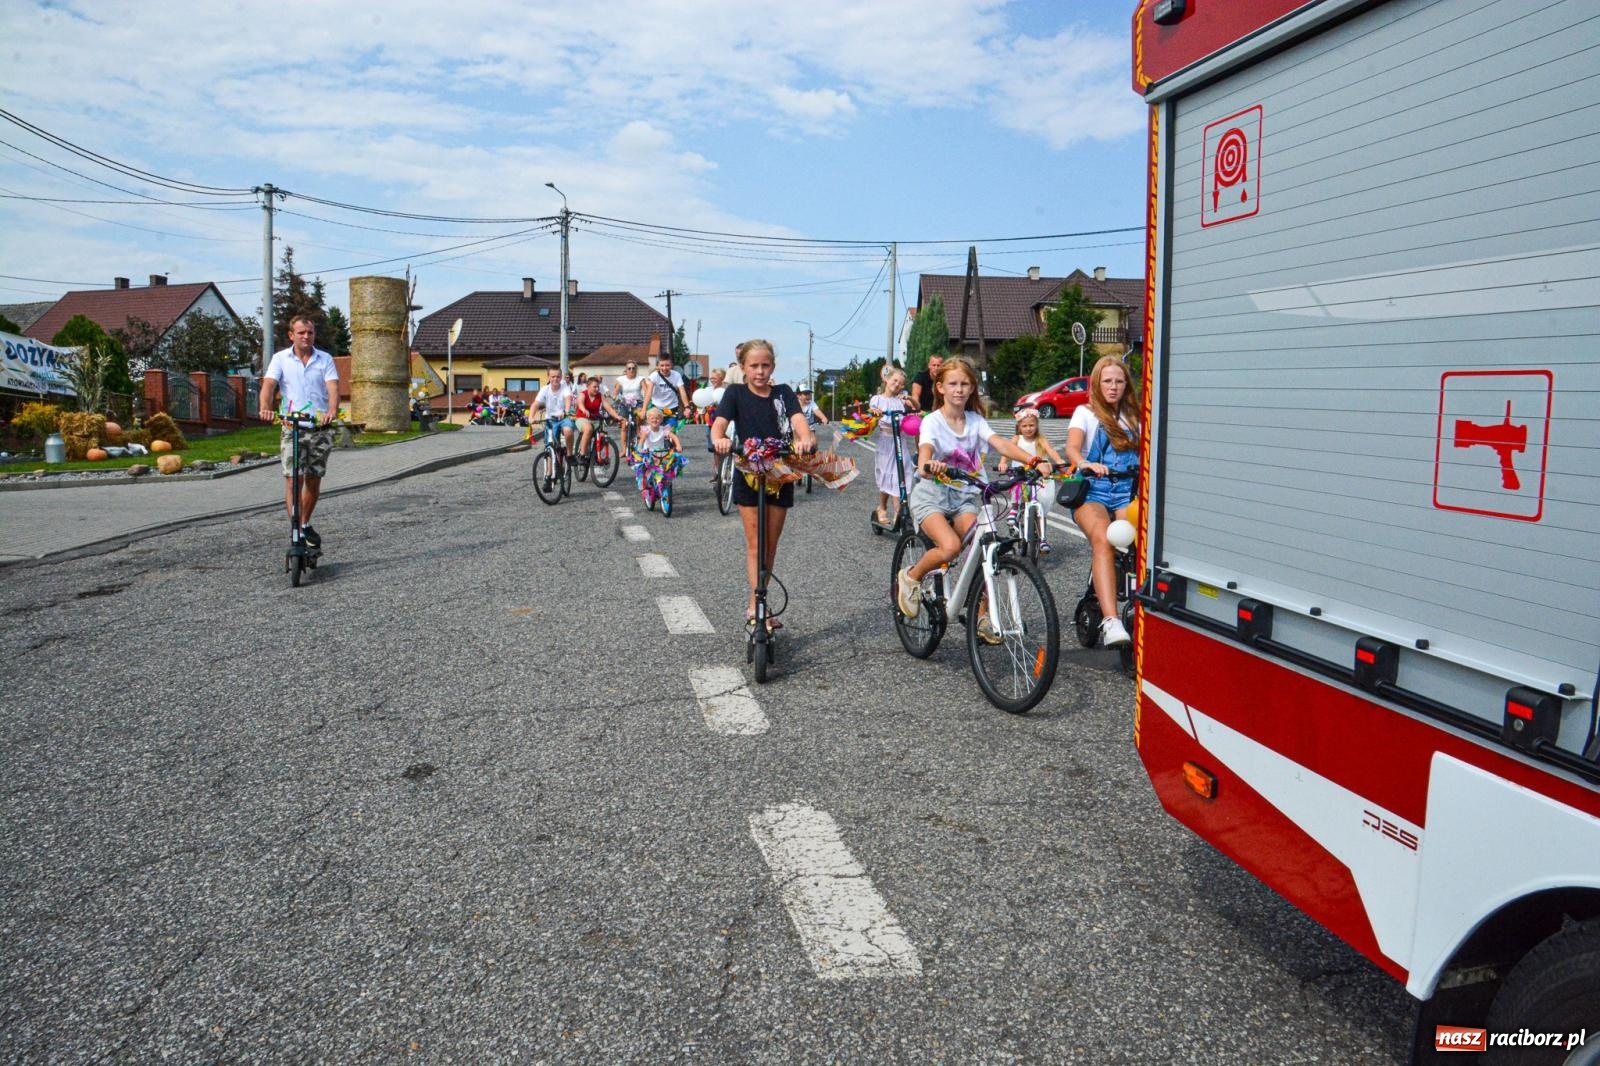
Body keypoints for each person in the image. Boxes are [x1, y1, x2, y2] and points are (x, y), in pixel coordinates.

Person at [896, 357, 1052, 642]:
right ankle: (911, 576)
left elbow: (1001, 444)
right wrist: (929, 464)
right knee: (950, 547)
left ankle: (981, 616)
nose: (959, 389)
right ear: (940, 387)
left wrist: (1033, 459)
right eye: (953, 384)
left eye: (965, 384)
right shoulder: (932, 422)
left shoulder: (976, 421)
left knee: (984, 547)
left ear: (971, 389)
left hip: (965, 497)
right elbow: (925, 452)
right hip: (931, 495)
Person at [711, 339, 817, 631]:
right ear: (743, 367)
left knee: (770, 546)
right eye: (753, 365)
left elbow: (798, 420)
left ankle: (760, 600)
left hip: (780, 472)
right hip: (749, 472)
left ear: (773, 366)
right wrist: (719, 439)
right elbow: (719, 424)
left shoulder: (783, 393)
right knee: (755, 544)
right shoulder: (735, 393)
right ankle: (755, 606)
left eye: (765, 365)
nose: (760, 371)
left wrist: (805, 437)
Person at [1065, 355, 1141, 647]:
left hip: (1126, 491)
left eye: (1119, 381)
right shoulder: (1085, 413)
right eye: (1107, 381)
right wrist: (1084, 462)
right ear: (1097, 383)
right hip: (1093, 490)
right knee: (1103, 539)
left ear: (1126, 385)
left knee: (1139, 543)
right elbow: (1072, 447)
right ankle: (1111, 622)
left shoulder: (1135, 416)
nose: (1113, 387)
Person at [257, 315, 340, 549]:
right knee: (294, 478)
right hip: (292, 427)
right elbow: (269, 385)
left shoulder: (325, 359)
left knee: (313, 479)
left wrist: (331, 411)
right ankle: (295, 527)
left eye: (310, 332)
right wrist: (265, 407)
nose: (306, 336)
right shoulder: (280, 359)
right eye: (301, 332)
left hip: (319, 428)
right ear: (291, 335)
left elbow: (333, 388)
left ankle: (304, 524)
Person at [998, 406, 1067, 555]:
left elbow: (1051, 451)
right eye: (1024, 426)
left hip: (1039, 475)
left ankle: (1042, 538)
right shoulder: (1017, 438)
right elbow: (1007, 450)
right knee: (1017, 485)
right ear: (1019, 427)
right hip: (1021, 474)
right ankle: (1015, 507)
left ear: (1037, 425)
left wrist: (1059, 460)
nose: (1028, 429)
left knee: (1041, 508)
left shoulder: (1040, 439)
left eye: (1031, 425)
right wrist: (1003, 462)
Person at [868, 368, 913, 527]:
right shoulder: (877, 399)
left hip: (901, 441)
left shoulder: (901, 400)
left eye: (901, 383)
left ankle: (898, 513)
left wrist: (910, 401)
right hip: (886, 441)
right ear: (887, 380)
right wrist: (875, 412)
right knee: (888, 476)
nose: (897, 384)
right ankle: (882, 508)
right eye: (894, 381)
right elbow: (871, 411)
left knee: (901, 475)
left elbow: (915, 408)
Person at [574, 377, 622, 459]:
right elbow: (580, 403)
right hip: (582, 418)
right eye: (594, 387)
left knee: (603, 436)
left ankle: (595, 454)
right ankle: (581, 454)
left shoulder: (600, 396)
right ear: (588, 386)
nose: (597, 389)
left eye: (598, 387)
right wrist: (584, 409)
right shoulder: (583, 394)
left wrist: (617, 416)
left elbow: (608, 407)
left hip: (595, 420)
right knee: (588, 429)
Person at [533, 371, 576, 452]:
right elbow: (536, 403)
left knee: (568, 430)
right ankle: (550, 463)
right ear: (548, 377)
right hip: (550, 420)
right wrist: (531, 417)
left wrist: (566, 411)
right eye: (553, 377)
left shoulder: (565, 387)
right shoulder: (544, 389)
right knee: (550, 447)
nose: (555, 379)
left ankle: (570, 455)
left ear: (561, 377)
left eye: (558, 376)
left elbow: (568, 398)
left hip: (564, 418)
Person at [645, 354, 690, 424]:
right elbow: (648, 393)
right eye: (662, 365)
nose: (664, 368)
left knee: (670, 432)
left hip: (672, 408)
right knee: (657, 430)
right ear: (658, 366)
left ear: (671, 365)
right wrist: (644, 409)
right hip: (657, 408)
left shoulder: (677, 375)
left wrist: (687, 407)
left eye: (667, 365)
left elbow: (682, 391)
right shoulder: (654, 375)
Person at [612, 360, 646, 449]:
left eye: (633, 368)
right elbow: (616, 392)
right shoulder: (621, 379)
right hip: (624, 403)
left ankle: (638, 431)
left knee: (639, 418)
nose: (631, 370)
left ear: (636, 370)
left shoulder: (640, 379)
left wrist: (647, 399)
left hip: (637, 402)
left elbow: (646, 391)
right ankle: (624, 449)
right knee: (624, 426)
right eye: (629, 368)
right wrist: (615, 397)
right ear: (626, 370)